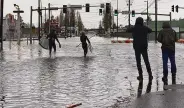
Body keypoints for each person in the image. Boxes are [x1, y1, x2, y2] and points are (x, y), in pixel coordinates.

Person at [126, 17, 153, 81]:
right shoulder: (145, 28)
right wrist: (145, 26)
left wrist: (132, 26)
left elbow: (127, 30)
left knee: (138, 62)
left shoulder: (134, 28)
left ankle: (140, 75)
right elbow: (150, 30)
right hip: (144, 47)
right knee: (146, 61)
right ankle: (150, 75)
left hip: (137, 47)